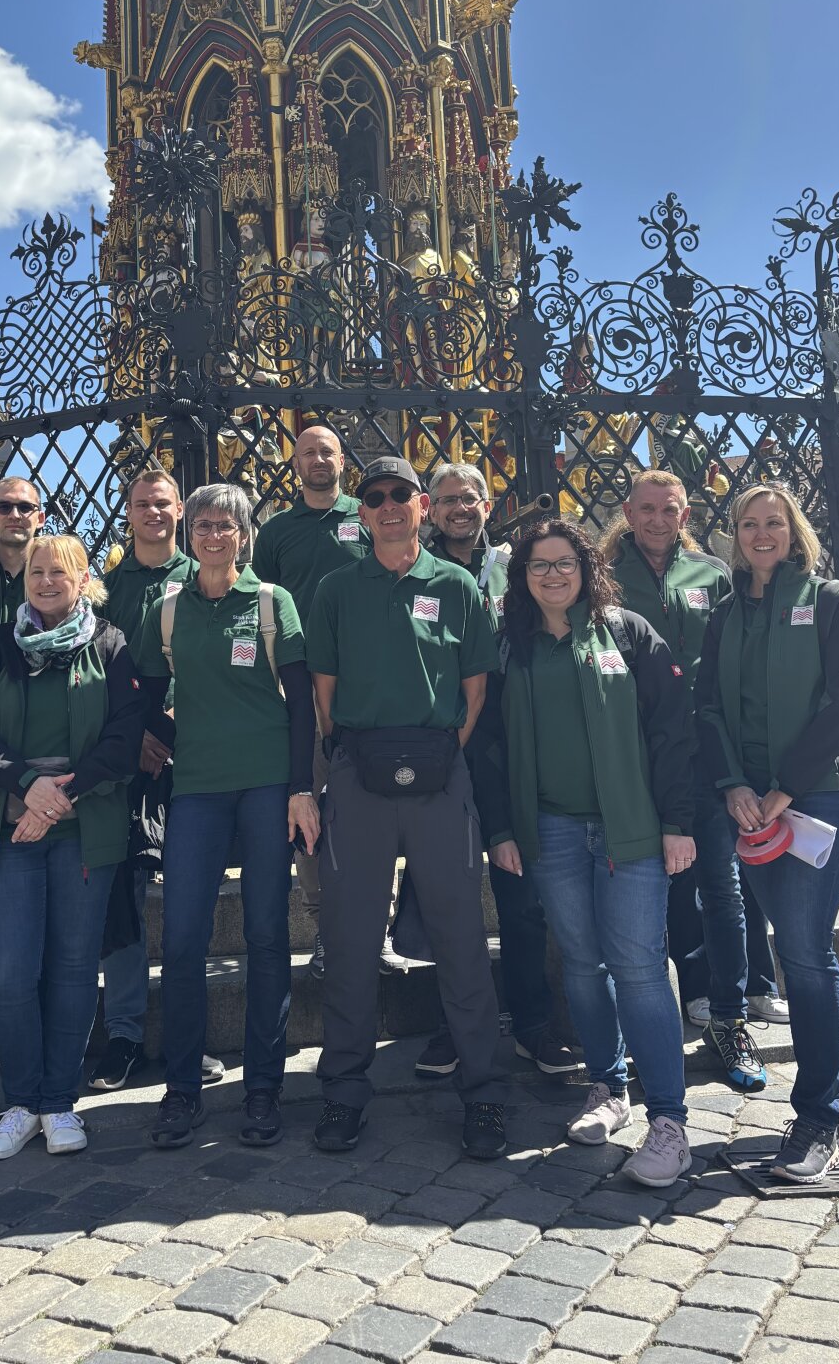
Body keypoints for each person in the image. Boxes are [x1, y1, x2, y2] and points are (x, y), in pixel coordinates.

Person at [484, 516, 697, 1189]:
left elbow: (671, 728)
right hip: (549, 829)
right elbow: (487, 746)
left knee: (637, 967)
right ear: (522, 577)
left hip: (630, 827)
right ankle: (607, 1087)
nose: (553, 574)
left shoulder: (627, 633)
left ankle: (669, 1120)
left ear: (586, 568)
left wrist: (679, 821)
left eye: (564, 563)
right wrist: (500, 829)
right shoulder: (509, 647)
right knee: (580, 962)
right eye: (538, 565)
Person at [306, 455, 507, 1161]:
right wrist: (358, 754)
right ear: (360, 513)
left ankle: (483, 1090)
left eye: (400, 494)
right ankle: (343, 1092)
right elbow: (322, 691)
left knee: (460, 938)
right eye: (375, 497)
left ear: (421, 506)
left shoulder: (455, 586)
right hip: (360, 774)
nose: (388, 505)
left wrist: (438, 750)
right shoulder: (335, 590)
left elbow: (476, 686)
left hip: (438, 772)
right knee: (352, 940)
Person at [697, 484, 839, 1183]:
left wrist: (781, 790)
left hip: (828, 797)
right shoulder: (724, 613)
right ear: (735, 534)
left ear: (793, 529)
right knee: (806, 951)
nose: (762, 533)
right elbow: (708, 706)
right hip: (753, 805)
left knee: (801, 953)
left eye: (774, 522)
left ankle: (818, 1115)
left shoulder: (830, 599)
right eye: (750, 523)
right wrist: (734, 786)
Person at [0, 534, 146, 1161]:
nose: (44, 581)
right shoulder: (0, 645)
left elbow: (124, 735)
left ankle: (59, 1100)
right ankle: (22, 1100)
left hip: (84, 829)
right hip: (10, 825)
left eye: (58, 572)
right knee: (8, 973)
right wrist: (26, 785)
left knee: (70, 968)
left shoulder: (108, 644)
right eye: (36, 571)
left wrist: (62, 794)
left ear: (83, 578)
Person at [136, 483, 316, 1150]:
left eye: (226, 526)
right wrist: (158, 734)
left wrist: (302, 787)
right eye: (203, 525)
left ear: (244, 535)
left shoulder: (273, 603)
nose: (214, 536)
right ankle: (182, 1087)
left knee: (268, 935)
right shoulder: (168, 607)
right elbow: (148, 693)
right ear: (190, 534)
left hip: (267, 786)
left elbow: (301, 704)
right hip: (198, 789)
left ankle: (262, 1086)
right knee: (183, 939)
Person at [606, 469, 783, 1094]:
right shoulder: (604, 576)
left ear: (686, 515)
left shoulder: (712, 574)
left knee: (723, 887)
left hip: (709, 751)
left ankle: (729, 1014)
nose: (658, 520)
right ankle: (639, 1025)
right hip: (636, 754)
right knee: (640, 892)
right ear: (629, 511)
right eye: (647, 509)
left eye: (670, 510)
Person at [415, 463, 579, 1081]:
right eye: (449, 500)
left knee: (522, 897)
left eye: (471, 499)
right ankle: (452, 1025)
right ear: (432, 508)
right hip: (441, 746)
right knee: (445, 898)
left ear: (488, 506)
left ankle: (533, 1022)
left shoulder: (517, 564)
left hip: (511, 743)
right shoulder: (415, 567)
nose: (460, 509)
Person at [91, 468, 215, 1094]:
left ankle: (190, 1031)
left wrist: (163, 733)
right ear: (129, 513)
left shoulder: (202, 577)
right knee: (126, 893)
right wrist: (134, 735)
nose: (153, 513)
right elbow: (101, 670)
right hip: (125, 746)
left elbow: (215, 666)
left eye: (163, 504)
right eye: (143, 504)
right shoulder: (108, 588)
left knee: (192, 895)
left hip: (193, 747)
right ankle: (125, 1032)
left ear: (179, 512)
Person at [251, 423, 374, 980]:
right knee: (309, 810)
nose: (318, 460)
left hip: (370, 683)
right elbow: (261, 605)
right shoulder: (277, 532)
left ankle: (378, 929)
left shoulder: (369, 513)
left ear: (342, 459)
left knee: (377, 814)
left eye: (327, 450)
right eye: (308, 453)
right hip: (303, 690)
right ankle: (325, 930)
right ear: (294, 463)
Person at [0, 476, 46, 629]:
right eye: (4, 507)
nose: (14, 515)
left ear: (40, 519)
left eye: (25, 507)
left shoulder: (60, 572)